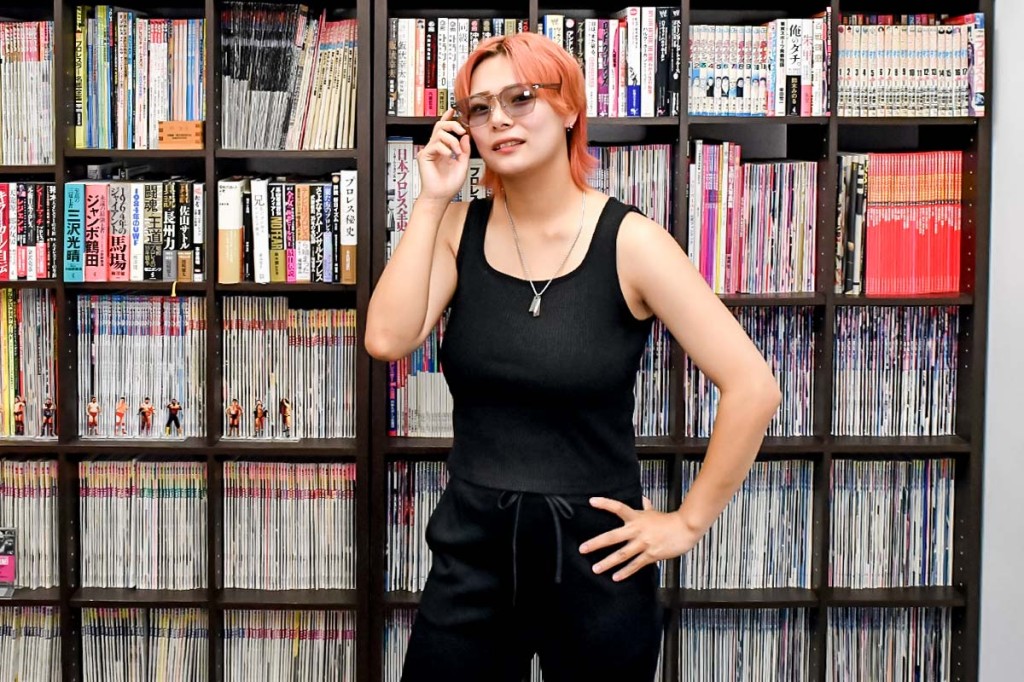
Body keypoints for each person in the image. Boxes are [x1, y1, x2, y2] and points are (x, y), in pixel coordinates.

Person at [365, 31, 781, 681]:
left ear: (568, 108)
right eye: (479, 108)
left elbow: (753, 387)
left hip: (598, 564)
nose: (498, 119)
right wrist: (431, 199)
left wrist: (687, 522)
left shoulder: (632, 242)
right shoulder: (454, 228)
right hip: (473, 557)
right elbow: (386, 340)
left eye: (520, 97)